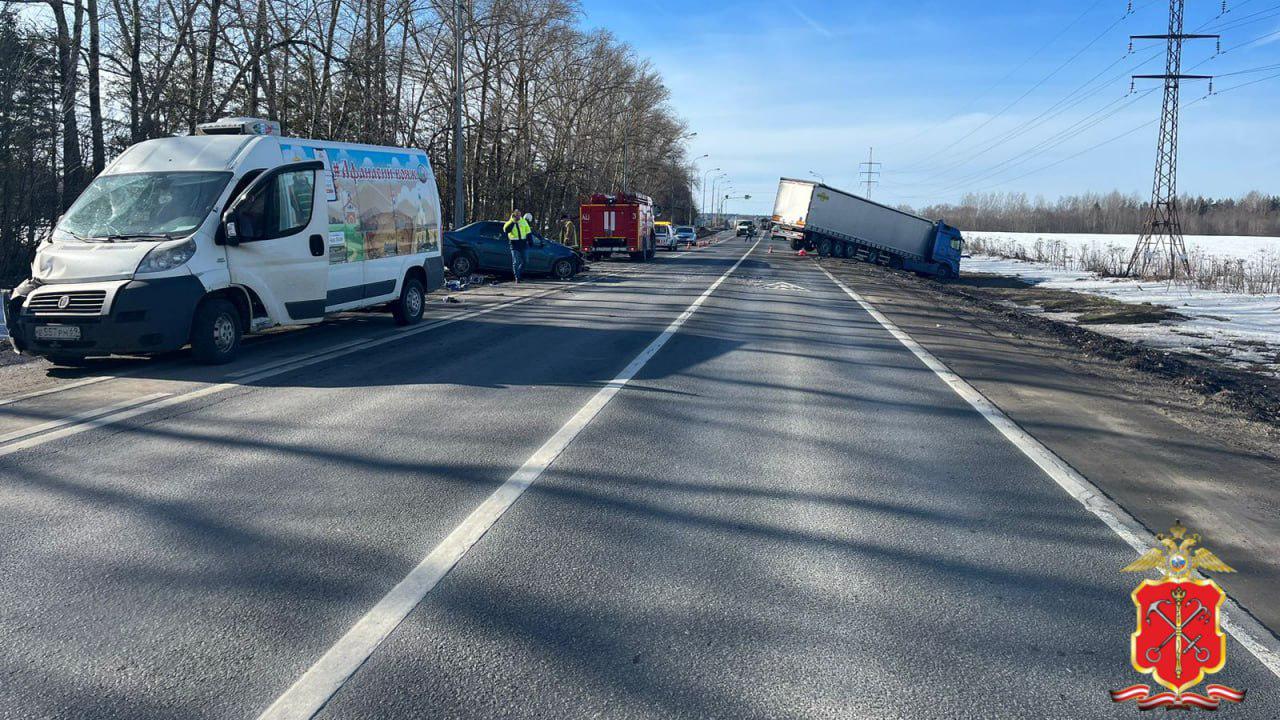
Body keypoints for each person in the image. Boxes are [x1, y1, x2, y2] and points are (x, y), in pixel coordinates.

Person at [503, 209, 533, 283]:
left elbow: (528, 232)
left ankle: (519, 273)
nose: (519, 216)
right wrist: (513, 222)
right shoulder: (509, 222)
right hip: (514, 244)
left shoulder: (524, 221)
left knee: (526, 261)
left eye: (519, 214)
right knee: (516, 262)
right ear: (514, 215)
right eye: (517, 215)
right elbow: (506, 230)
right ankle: (517, 277)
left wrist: (530, 241)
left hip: (523, 244)